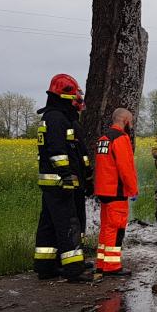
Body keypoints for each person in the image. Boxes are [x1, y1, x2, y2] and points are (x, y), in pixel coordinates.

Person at [34, 73, 94, 282]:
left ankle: (46, 265)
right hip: (59, 182)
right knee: (69, 224)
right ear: (65, 96)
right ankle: (73, 269)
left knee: (49, 224)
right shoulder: (57, 119)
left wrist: (86, 176)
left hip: (55, 182)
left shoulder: (56, 117)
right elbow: (58, 152)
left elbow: (74, 151)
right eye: (76, 95)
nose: (78, 100)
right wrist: (67, 176)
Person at [94, 108, 139, 277]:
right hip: (116, 191)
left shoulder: (103, 139)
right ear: (125, 120)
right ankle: (112, 267)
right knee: (116, 228)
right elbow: (125, 167)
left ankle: (101, 263)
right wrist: (133, 189)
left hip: (103, 190)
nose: (131, 125)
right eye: (131, 122)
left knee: (106, 228)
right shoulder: (121, 138)